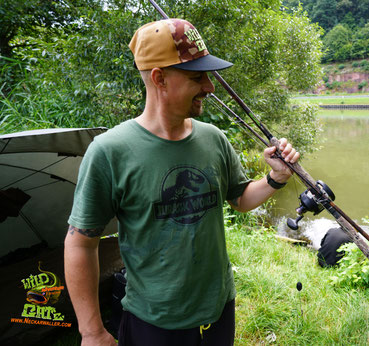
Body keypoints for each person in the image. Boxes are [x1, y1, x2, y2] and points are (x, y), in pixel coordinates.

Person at [64, 18, 300, 346]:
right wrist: (91, 331)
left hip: (219, 311)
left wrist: (276, 177)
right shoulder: (110, 152)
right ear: (160, 78)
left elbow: (240, 199)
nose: (210, 86)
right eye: (197, 77)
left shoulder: (213, 139)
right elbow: (80, 242)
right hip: (154, 323)